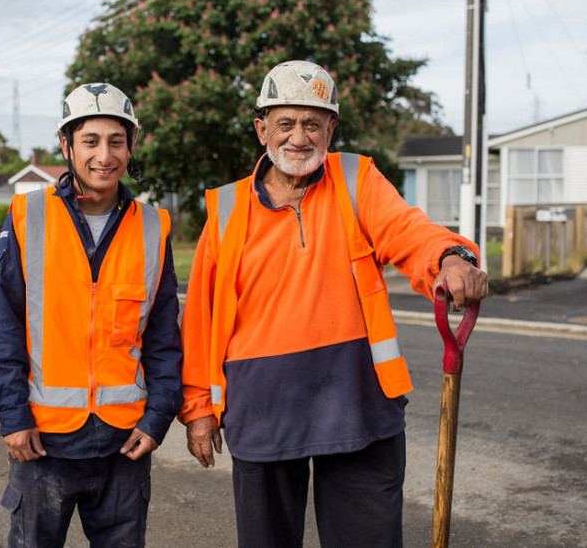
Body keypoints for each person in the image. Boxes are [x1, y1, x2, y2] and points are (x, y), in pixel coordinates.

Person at [178, 60, 488, 547]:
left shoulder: (356, 179)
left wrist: (451, 257)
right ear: (263, 130)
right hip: (262, 405)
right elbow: (199, 317)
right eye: (285, 123)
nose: (298, 137)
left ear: (330, 129)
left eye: (312, 123)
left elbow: (410, 233)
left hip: (357, 400)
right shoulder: (226, 208)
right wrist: (198, 407)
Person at [0, 82, 182, 547]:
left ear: (131, 146)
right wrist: (11, 415)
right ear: (67, 146)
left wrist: (157, 419)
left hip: (123, 444)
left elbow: (164, 336)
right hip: (42, 442)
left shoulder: (153, 226)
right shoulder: (28, 215)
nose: (104, 155)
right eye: (90, 141)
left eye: (116, 141)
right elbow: (1, 327)